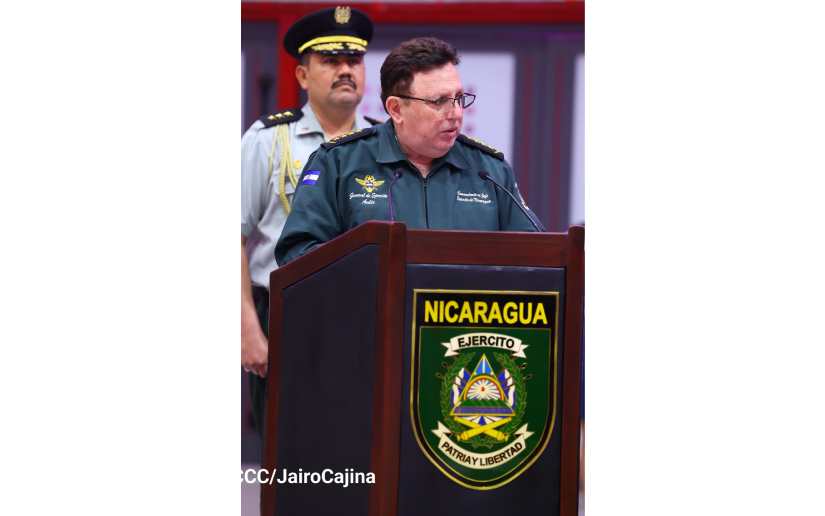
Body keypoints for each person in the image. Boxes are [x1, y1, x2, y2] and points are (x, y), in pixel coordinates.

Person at [275, 37, 541, 265]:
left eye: (459, 98)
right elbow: (298, 254)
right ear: (396, 109)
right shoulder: (339, 163)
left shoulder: (490, 171)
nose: (456, 113)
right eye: (439, 101)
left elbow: (536, 256)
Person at [241, 6, 376, 437]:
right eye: (330, 60)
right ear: (302, 75)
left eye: (353, 60)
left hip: (368, 317)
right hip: (285, 315)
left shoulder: (383, 143)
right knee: (290, 451)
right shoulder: (268, 139)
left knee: (362, 447)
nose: (345, 70)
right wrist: (247, 328)